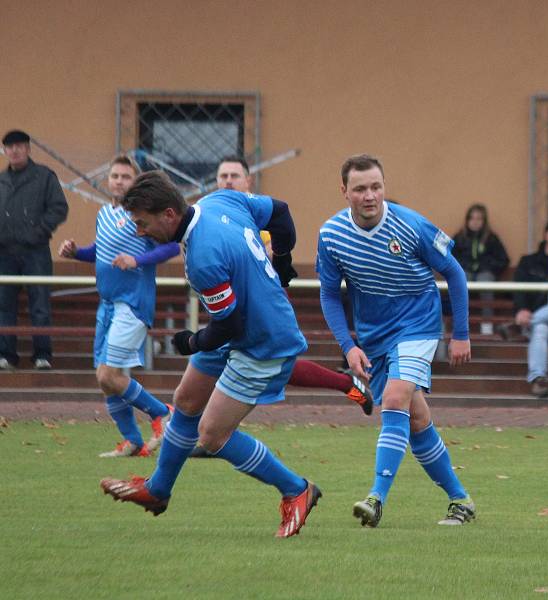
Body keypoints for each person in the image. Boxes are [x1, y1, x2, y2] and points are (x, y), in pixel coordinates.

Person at [100, 171, 321, 538]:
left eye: (143, 222)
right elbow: (281, 213)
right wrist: (282, 262)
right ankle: (158, 490)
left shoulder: (202, 256)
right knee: (185, 400)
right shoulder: (221, 199)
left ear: (169, 214)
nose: (140, 231)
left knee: (212, 435)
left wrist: (191, 342)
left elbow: (228, 326)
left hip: (262, 341)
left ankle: (297, 488)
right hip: (246, 323)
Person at [317, 154, 475, 528]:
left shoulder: (411, 225)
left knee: (393, 398)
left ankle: (376, 497)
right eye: (360, 189)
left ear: (384, 187)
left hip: (419, 326)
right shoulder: (331, 236)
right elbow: (327, 294)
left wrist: (461, 334)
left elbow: (454, 272)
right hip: (374, 337)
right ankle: (461, 500)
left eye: (376, 187)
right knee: (416, 418)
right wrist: (348, 345)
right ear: (344, 192)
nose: (370, 195)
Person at [216, 156, 372, 414]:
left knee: (271, 364)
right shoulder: (215, 214)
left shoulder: (258, 212)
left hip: (265, 302)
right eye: (224, 176)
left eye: (235, 176)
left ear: (248, 181)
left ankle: (209, 432)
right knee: (247, 362)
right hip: (231, 301)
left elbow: (273, 250)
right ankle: (207, 430)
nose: (229, 181)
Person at [58, 156, 178, 457]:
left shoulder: (143, 215)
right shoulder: (104, 214)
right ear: (108, 181)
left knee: (108, 376)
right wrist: (77, 253)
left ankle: (162, 412)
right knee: (107, 380)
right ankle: (133, 441)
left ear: (135, 182)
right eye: (115, 176)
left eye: (126, 176)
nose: (120, 181)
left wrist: (137, 260)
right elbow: (100, 251)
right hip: (108, 304)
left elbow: (173, 245)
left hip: (132, 303)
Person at [0, 129, 69, 371]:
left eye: (19, 145)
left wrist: (38, 232)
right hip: (4, 254)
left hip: (35, 252)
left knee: (39, 303)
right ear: (5, 151)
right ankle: (6, 355)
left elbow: (59, 208)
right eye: (10, 146)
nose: (15, 150)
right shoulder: (1, 181)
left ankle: (42, 354)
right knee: (3, 305)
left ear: (28, 148)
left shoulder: (44, 177)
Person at [509, 217, 548, 398]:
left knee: (546, 315)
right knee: (539, 329)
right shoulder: (528, 262)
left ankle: (518, 326)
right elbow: (519, 290)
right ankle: (538, 378)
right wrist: (521, 310)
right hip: (543, 322)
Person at [451, 203, 509, 335]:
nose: (475, 222)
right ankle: (460, 322)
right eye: (472, 218)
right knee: (461, 279)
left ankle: (487, 323)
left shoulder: (491, 238)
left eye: (479, 218)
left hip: (484, 272)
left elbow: (503, 259)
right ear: (467, 220)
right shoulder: (460, 238)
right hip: (466, 272)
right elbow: (450, 258)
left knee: (486, 281)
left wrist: (489, 268)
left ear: (484, 221)